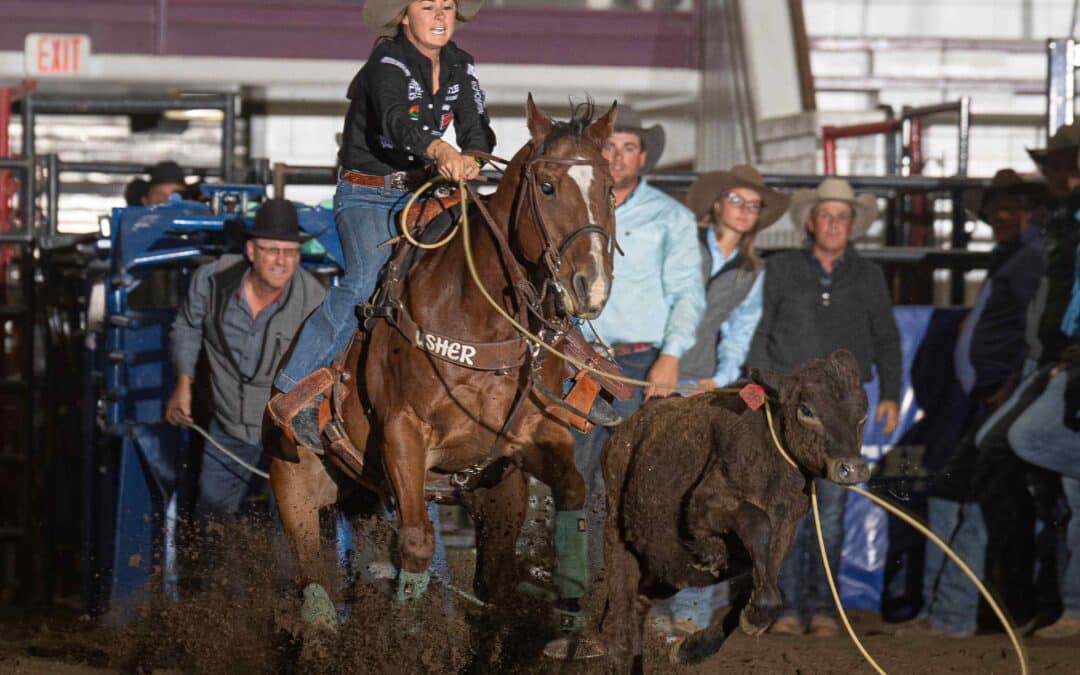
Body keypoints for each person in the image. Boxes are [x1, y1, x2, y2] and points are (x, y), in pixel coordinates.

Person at [267, 0, 495, 448]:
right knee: (363, 281)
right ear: (403, 17)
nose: (439, 15)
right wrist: (440, 151)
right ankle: (293, 390)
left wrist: (472, 155)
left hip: (424, 191)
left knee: (496, 254)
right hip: (366, 193)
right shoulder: (384, 65)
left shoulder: (461, 66)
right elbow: (395, 123)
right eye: (427, 6)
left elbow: (478, 126)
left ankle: (568, 381)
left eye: (447, 6)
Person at [748, 177, 901, 637]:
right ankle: (789, 606)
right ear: (811, 222)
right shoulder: (781, 271)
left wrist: (891, 393)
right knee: (785, 508)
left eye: (842, 216)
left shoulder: (869, 276)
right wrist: (754, 383)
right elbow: (763, 329)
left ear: (852, 224)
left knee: (831, 511)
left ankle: (824, 608)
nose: (833, 223)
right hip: (791, 407)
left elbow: (887, 339)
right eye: (826, 215)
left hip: (839, 415)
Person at [896, 169, 1045, 638]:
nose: (999, 215)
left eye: (1010, 207)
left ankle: (953, 614)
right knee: (950, 495)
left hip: (1000, 398)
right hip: (983, 400)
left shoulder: (1029, 260)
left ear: (1030, 211)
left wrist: (1012, 384)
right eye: (995, 208)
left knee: (975, 503)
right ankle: (946, 612)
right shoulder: (1014, 258)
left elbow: (1036, 331)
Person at [653, 164, 789, 635]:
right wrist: (663, 363)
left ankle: (689, 609)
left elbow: (739, 332)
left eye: (754, 205)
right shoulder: (683, 245)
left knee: (698, 496)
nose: (746, 210)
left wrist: (719, 379)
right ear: (716, 205)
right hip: (655, 373)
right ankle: (651, 604)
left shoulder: (753, 270)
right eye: (738, 200)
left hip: (700, 385)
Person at [575, 105, 705, 579]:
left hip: (641, 360)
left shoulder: (670, 217)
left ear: (643, 157)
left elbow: (687, 291)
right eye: (608, 146)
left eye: (628, 147)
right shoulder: (574, 204)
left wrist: (670, 357)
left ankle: (631, 586)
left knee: (637, 481)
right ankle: (577, 587)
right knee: (574, 477)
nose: (617, 156)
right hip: (581, 356)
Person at [165, 198, 325, 520]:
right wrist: (183, 384)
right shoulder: (211, 282)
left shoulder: (314, 299)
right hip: (227, 429)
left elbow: (329, 366)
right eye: (272, 250)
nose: (282, 260)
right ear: (252, 251)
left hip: (285, 435)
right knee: (211, 524)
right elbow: (187, 325)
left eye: (291, 252)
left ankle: (285, 571)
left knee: (292, 530)